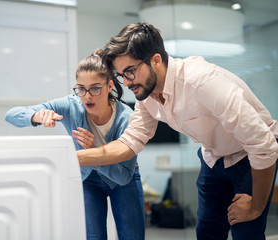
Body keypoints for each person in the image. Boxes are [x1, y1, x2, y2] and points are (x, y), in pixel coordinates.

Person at [76, 22, 278, 240]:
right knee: (207, 232)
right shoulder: (147, 95)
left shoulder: (202, 81)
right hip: (213, 156)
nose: (126, 82)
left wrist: (257, 206)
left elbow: (263, 146)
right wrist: (71, 158)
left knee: (246, 230)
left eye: (130, 72)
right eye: (121, 74)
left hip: (251, 154)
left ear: (156, 60)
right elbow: (129, 143)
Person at [5, 49, 145, 240]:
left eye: (95, 88)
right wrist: (36, 116)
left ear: (109, 85)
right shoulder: (71, 105)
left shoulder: (126, 117)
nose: (87, 96)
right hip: (88, 179)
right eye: (81, 88)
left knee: (132, 236)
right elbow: (11, 115)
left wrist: (94, 152)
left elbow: (122, 177)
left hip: (122, 179)